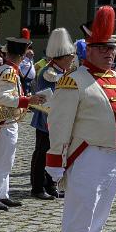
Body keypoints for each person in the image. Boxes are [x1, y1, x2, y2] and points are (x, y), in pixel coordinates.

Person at [45, 7, 116, 232]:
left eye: (113, 48)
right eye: (103, 48)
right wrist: (56, 160)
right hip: (87, 155)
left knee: (99, 215)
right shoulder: (74, 80)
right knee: (80, 213)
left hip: (113, 156)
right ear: (89, 49)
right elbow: (59, 124)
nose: (110, 53)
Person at [0, 36, 32, 209]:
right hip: (5, 120)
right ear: (21, 55)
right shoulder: (10, 72)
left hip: (5, 119)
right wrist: (27, 100)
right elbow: (2, 97)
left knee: (6, 160)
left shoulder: (3, 68)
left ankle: (2, 193)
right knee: (3, 160)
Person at [30, 31, 75, 199]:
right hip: (46, 118)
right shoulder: (49, 72)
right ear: (61, 57)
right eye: (70, 57)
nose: (72, 60)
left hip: (59, 118)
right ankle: (37, 187)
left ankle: (51, 185)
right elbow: (47, 96)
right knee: (42, 153)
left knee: (56, 152)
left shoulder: (63, 72)